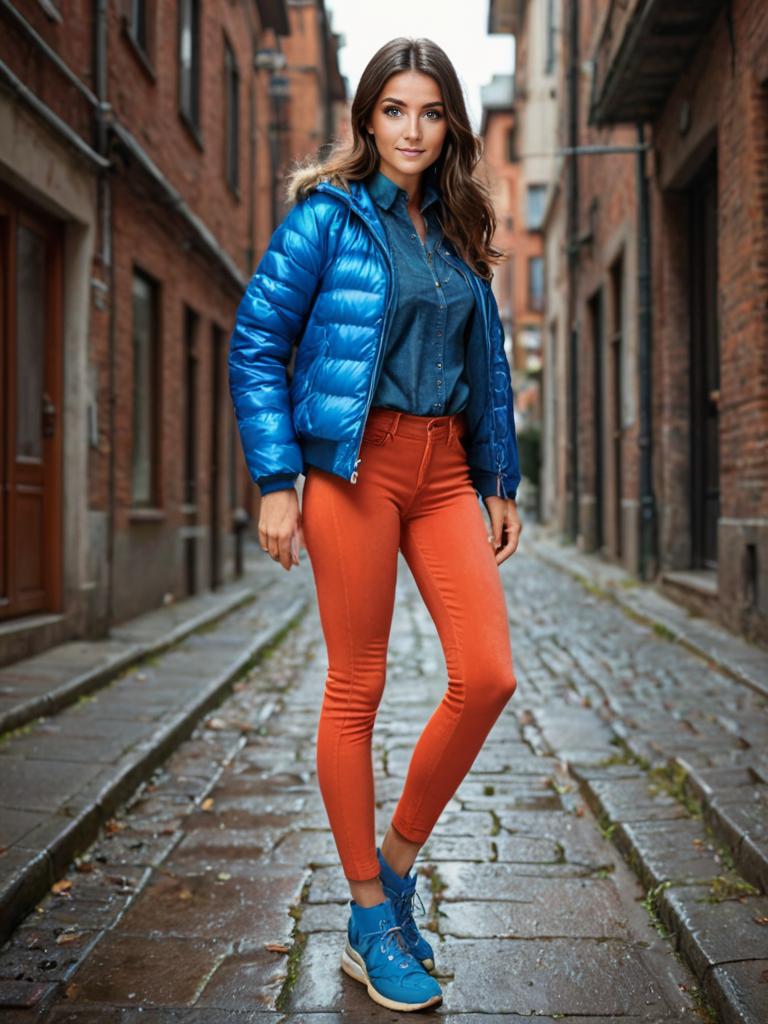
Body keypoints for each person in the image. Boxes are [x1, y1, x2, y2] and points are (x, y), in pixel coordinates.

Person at [228, 36, 522, 1013]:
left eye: (430, 112)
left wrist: (499, 476)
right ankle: (365, 912)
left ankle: (392, 871)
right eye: (395, 110)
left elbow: (489, 367)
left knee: (488, 674)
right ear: (367, 119)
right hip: (350, 471)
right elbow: (259, 338)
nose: (412, 129)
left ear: (450, 127)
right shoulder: (326, 219)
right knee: (357, 683)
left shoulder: (459, 228)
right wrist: (276, 479)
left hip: (443, 471)